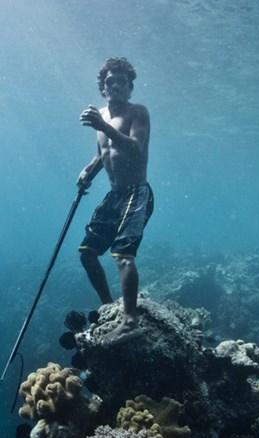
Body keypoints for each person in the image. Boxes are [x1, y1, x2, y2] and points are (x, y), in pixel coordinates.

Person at [76, 57, 154, 346]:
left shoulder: (138, 112)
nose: (115, 86)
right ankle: (110, 305)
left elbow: (135, 147)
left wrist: (103, 126)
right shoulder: (102, 117)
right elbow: (102, 155)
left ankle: (130, 321)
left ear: (130, 87)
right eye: (109, 82)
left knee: (122, 254)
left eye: (121, 81)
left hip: (136, 191)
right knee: (87, 252)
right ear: (102, 87)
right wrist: (88, 172)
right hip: (114, 194)